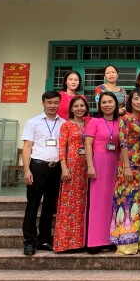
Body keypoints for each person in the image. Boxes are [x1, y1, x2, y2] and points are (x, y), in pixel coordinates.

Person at [21, 90, 65, 256]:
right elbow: (27, 148)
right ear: (43, 103)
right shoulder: (33, 122)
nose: (52, 105)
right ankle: (29, 241)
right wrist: (27, 170)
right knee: (32, 205)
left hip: (56, 169)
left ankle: (44, 239)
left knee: (49, 206)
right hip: (38, 167)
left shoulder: (63, 123)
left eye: (56, 102)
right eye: (49, 102)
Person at [110, 88, 140, 255]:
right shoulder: (125, 118)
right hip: (129, 165)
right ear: (129, 101)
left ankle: (139, 240)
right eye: (136, 99)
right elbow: (123, 143)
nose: (139, 102)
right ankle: (127, 243)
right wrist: (126, 166)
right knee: (127, 201)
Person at [84, 91, 120, 253]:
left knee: (112, 202)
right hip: (98, 162)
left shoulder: (120, 121)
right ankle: (94, 241)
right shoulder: (95, 121)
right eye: (104, 102)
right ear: (99, 105)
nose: (107, 105)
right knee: (97, 202)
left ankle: (109, 239)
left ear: (116, 104)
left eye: (110, 102)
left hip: (115, 163)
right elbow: (88, 144)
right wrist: (90, 165)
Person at [54, 95, 89, 253]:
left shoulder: (90, 124)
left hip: (87, 168)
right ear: (71, 109)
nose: (79, 109)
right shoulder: (66, 126)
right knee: (69, 205)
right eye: (76, 106)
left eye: (82, 106)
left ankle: (81, 242)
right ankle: (66, 243)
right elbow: (62, 148)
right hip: (71, 168)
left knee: (83, 205)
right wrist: (64, 168)